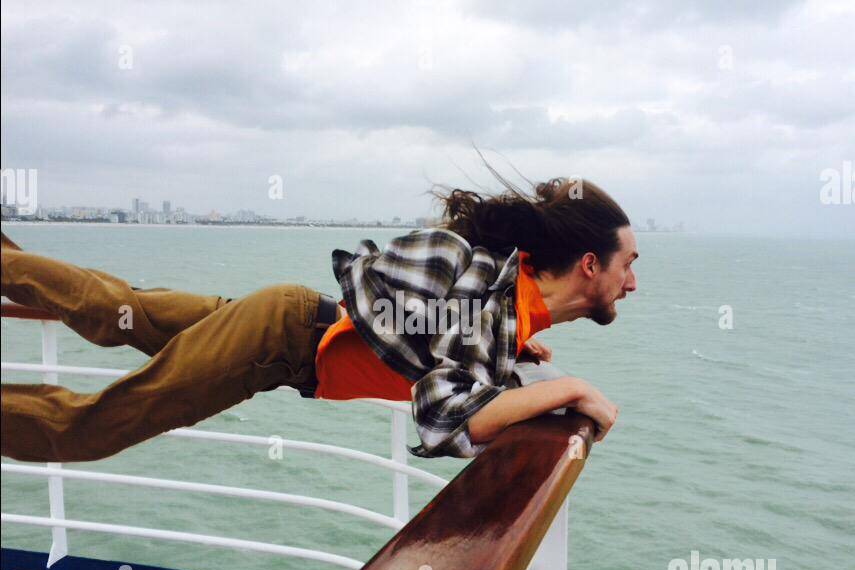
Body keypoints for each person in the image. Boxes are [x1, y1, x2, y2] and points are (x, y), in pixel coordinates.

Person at [1, 176, 636, 463]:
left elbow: (447, 341)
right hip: (274, 342)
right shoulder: (495, 309)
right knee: (95, 426)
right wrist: (570, 392)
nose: (633, 282)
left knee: (121, 309)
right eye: (628, 264)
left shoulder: (505, 301)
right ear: (588, 264)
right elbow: (446, 418)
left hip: (285, 318)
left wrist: (519, 362)